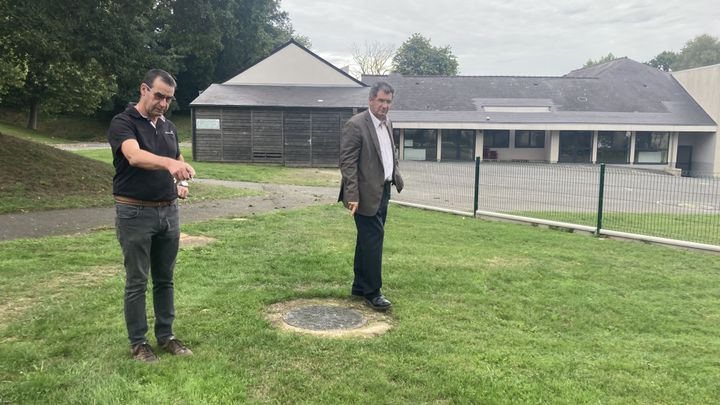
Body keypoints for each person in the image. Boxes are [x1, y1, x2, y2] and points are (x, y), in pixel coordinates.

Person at [108, 69, 196, 363]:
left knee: (165, 278)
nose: (163, 103)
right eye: (158, 96)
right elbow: (133, 156)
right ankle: (138, 343)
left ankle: (166, 336)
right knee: (137, 280)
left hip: (168, 211)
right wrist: (169, 164)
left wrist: (181, 180)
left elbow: (178, 156)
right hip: (134, 211)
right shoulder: (123, 122)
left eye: (168, 99)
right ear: (144, 89)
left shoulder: (168, 126)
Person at [339, 81, 404, 311]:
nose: (385, 106)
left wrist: (395, 175)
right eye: (381, 101)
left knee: (367, 241)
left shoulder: (388, 124)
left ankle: (359, 286)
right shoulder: (355, 125)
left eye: (388, 101)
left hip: (383, 189)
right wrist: (352, 195)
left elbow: (388, 153)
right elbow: (348, 163)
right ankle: (373, 292)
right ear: (370, 100)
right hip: (363, 194)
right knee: (374, 240)